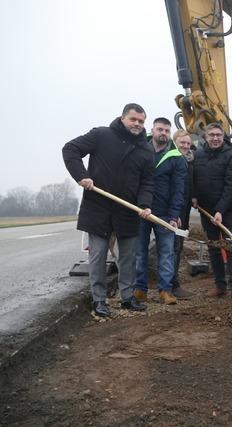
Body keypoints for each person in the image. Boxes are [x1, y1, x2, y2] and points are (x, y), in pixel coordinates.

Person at [62, 103, 154, 317]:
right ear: (122, 118)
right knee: (98, 257)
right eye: (133, 119)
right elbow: (70, 149)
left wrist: (145, 205)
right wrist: (81, 176)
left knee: (128, 258)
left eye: (141, 121)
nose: (137, 124)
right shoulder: (101, 135)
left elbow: (148, 182)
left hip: (127, 211)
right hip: (98, 207)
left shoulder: (146, 150)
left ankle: (128, 298)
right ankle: (99, 300)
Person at [133, 117, 187, 305]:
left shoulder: (176, 158)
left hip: (164, 213)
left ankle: (165, 290)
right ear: (152, 130)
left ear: (169, 133)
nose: (163, 133)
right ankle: (140, 289)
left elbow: (178, 190)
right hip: (140, 210)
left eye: (166, 130)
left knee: (166, 253)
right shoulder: (140, 149)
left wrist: (174, 215)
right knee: (139, 252)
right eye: (160, 129)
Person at [192, 123, 232, 299]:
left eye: (218, 135)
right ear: (205, 136)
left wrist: (220, 210)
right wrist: (194, 196)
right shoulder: (198, 155)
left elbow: (231, 186)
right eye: (211, 135)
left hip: (227, 211)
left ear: (223, 137)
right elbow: (195, 179)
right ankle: (220, 285)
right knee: (213, 248)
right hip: (206, 210)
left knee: (231, 247)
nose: (215, 138)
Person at [169, 130, 195, 299]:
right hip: (172, 212)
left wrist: (194, 197)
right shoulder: (170, 159)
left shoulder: (189, 161)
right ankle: (170, 285)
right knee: (171, 247)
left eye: (187, 143)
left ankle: (173, 283)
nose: (185, 146)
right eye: (182, 143)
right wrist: (174, 212)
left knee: (178, 247)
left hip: (183, 210)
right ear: (175, 142)